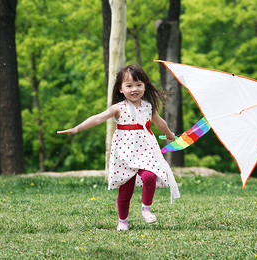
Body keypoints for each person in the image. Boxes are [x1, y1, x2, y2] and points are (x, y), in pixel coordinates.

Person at [57, 65, 180, 231]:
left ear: (145, 86)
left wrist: (170, 134)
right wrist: (77, 128)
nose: (134, 89)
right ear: (121, 89)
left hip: (145, 149)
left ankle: (146, 208)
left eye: (138, 84)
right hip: (124, 153)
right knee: (125, 191)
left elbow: (160, 123)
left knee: (150, 176)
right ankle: (123, 221)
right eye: (129, 86)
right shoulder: (118, 108)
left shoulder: (148, 106)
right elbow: (98, 118)